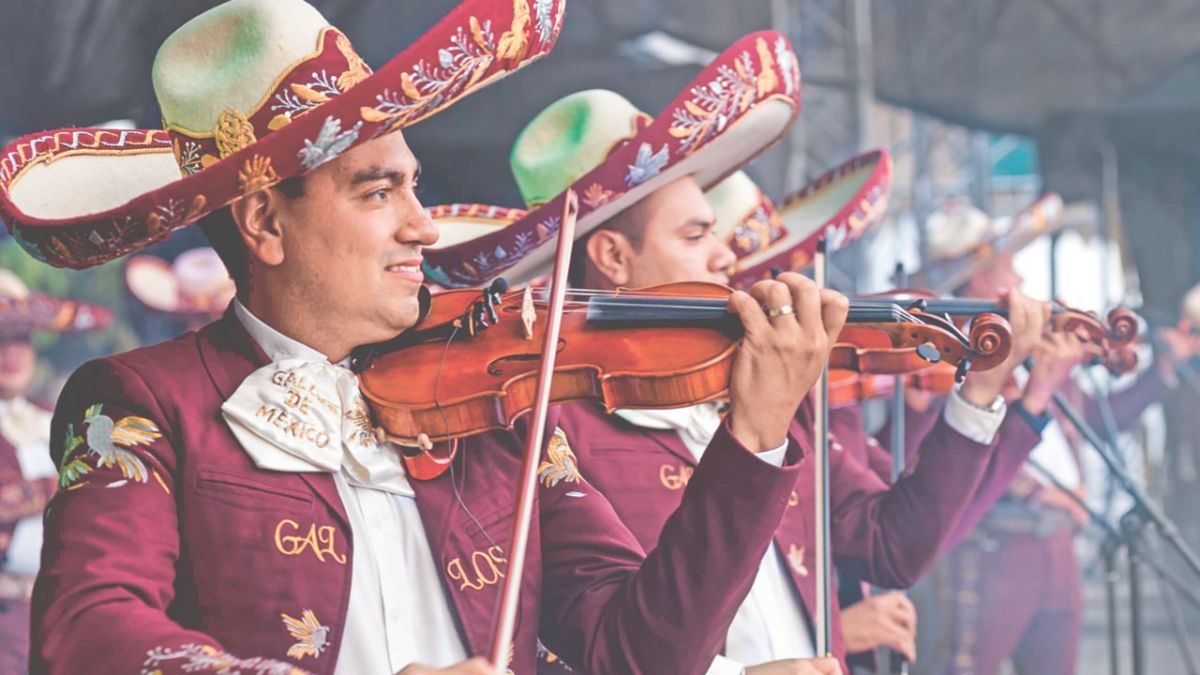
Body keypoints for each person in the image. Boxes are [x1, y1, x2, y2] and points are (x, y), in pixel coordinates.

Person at [0, 1, 848, 673]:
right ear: (264, 221)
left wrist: (753, 440)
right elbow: (89, 633)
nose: (422, 226)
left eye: (415, 186)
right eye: (378, 192)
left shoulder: (497, 407)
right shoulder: (142, 398)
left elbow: (638, 654)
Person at [449, 87, 1077, 674]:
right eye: (697, 235)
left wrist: (982, 393)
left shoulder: (759, 386)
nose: (728, 258)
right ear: (613, 257)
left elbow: (893, 546)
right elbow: (601, 647)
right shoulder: (547, 417)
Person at [902, 197, 1194, 675]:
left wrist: (1158, 373)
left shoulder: (1031, 352)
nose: (1019, 282)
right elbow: (946, 464)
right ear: (976, 282)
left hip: (1055, 548)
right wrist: (1043, 491)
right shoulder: (942, 362)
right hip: (992, 550)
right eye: (1007, 268)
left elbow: (1093, 423)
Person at [0, 270, 110, 674]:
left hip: (62, 618)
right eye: (0, 340)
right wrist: (64, 487)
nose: (12, 355)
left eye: (21, 340)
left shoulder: (54, 418)